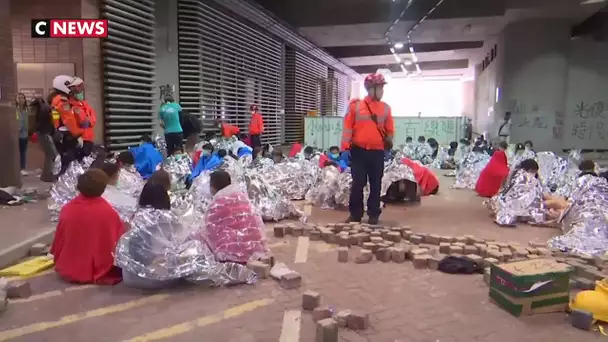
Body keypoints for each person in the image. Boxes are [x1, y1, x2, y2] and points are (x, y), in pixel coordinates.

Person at [50, 169, 125, 285]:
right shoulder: (108, 212)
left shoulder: (67, 209)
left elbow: (60, 240)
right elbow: (115, 242)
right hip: (96, 268)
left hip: (67, 267)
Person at [341, 73, 395, 224]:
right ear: (370, 89)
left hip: (377, 153)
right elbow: (347, 129)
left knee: (376, 183)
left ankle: (373, 214)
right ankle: (355, 214)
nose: (382, 91)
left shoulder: (386, 109)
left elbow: (390, 129)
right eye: (380, 88)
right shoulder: (356, 106)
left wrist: (388, 144)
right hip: (359, 151)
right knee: (358, 183)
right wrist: (345, 149)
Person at [196, 170, 266, 263]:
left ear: (213, 186)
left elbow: (207, 231)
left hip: (230, 253)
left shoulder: (216, 204)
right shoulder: (242, 197)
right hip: (254, 248)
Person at [67, 77, 97, 159]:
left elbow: (93, 118)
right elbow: (74, 123)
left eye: (81, 90)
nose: (80, 92)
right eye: (77, 91)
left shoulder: (85, 104)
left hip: (88, 139)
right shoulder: (71, 106)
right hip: (80, 139)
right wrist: (77, 136)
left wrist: (89, 122)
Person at [30, 98, 58, 182]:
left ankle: (46, 174)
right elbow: (54, 120)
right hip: (45, 133)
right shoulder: (47, 108)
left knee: (49, 154)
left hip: (42, 133)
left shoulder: (40, 109)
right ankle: (47, 175)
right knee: (52, 154)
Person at [15, 93, 31, 176]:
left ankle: (22, 168)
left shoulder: (26, 110)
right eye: (19, 98)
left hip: (24, 134)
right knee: (14, 152)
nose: (21, 100)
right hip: (15, 134)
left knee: (23, 152)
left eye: (23, 98)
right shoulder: (15, 110)